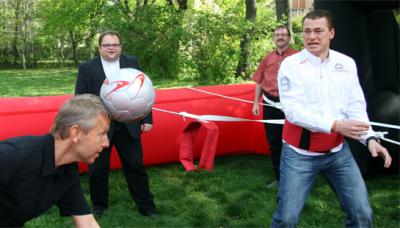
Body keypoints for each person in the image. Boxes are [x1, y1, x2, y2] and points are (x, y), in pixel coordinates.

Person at [272, 10, 392, 227]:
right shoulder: (290, 65)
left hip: (338, 153)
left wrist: (370, 138)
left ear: (332, 33)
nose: (312, 36)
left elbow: (355, 106)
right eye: (307, 31)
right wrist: (336, 125)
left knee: (362, 213)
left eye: (318, 30)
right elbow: (293, 111)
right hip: (299, 155)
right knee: (286, 219)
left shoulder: (346, 64)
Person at [75, 31, 157, 217]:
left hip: (129, 125)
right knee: (97, 169)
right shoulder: (87, 68)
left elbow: (143, 92)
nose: (111, 48)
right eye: (107, 45)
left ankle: (147, 208)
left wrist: (147, 118)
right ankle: (98, 206)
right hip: (100, 127)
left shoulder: (132, 63)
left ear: (120, 46)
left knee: (135, 166)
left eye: (115, 44)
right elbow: (80, 97)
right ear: (100, 47)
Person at [0, 94, 109, 227]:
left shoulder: (66, 172)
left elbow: (88, 223)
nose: (106, 143)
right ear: (76, 133)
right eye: (102, 134)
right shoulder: (12, 156)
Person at [252, 26, 298, 189]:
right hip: (270, 104)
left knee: (293, 142)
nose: (280, 37)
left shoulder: (298, 57)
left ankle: (297, 177)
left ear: (289, 38)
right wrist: (256, 102)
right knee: (274, 143)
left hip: (291, 106)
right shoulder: (267, 58)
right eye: (277, 35)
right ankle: (279, 178)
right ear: (273, 38)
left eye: (283, 35)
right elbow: (259, 81)